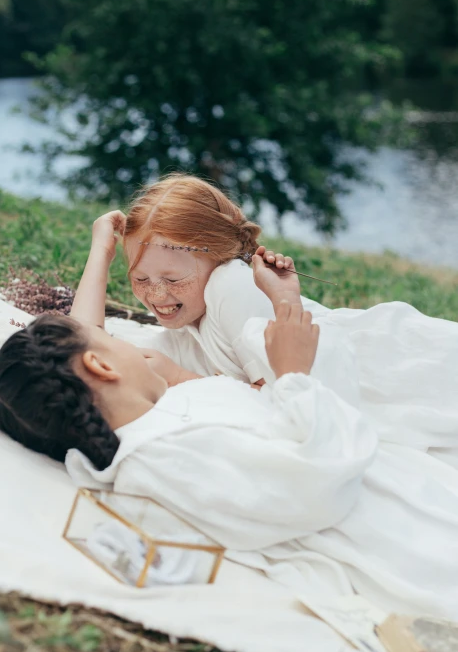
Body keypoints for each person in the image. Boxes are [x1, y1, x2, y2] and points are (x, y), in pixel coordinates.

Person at [0, 263, 458, 621]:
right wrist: (293, 374)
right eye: (113, 342)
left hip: (400, 481)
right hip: (409, 535)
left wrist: (283, 306)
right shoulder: (158, 456)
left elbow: (245, 419)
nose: (131, 343)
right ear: (102, 367)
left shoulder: (164, 415)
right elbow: (315, 481)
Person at [70, 173, 458, 453]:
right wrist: (101, 252)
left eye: (172, 279)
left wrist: (182, 378)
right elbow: (79, 346)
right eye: (140, 278)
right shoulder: (183, 330)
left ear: (217, 260)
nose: (156, 295)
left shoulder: (231, 288)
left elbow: (289, 403)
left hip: (389, 371)